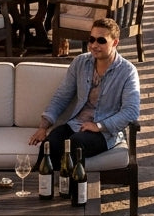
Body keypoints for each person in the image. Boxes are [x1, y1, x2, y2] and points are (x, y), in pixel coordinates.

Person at [28, 16, 140, 168]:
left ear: (115, 43)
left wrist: (99, 126)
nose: (94, 45)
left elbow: (131, 111)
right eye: (91, 39)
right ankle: (41, 188)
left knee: (76, 144)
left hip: (105, 132)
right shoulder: (80, 62)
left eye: (101, 41)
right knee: (50, 144)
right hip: (76, 124)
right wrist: (43, 127)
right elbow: (62, 96)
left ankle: (71, 190)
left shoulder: (127, 71)